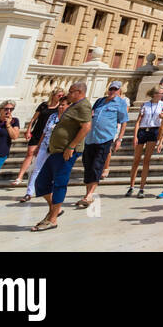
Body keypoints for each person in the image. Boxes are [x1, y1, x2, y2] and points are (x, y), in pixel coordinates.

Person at [31, 81, 93, 232]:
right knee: (41, 182)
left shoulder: (83, 106)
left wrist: (71, 146)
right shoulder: (73, 105)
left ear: (79, 92)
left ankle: (52, 219)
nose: (68, 94)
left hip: (66, 152)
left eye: (71, 91)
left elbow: (86, 127)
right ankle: (55, 210)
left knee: (59, 183)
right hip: (56, 150)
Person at [74, 81, 127, 208]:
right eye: (111, 89)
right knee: (88, 165)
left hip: (105, 137)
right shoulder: (100, 101)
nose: (112, 91)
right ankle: (88, 194)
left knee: (97, 165)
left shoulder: (120, 103)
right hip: (90, 137)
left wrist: (119, 139)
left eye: (115, 89)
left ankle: (89, 194)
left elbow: (123, 121)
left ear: (120, 91)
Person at [13, 88, 62, 188]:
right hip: (37, 132)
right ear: (53, 95)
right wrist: (28, 130)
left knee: (43, 157)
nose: (61, 97)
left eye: (62, 96)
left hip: (49, 134)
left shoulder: (60, 108)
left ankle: (38, 179)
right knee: (30, 153)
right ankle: (20, 176)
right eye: (59, 95)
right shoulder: (44, 105)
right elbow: (34, 119)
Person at [24, 97, 65, 204]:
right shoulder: (52, 116)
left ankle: (51, 194)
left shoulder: (69, 119)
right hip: (45, 145)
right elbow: (44, 131)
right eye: (60, 104)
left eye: (63, 105)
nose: (60, 107)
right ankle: (29, 192)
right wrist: (38, 145)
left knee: (53, 171)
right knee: (37, 168)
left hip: (57, 148)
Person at [127, 86, 163, 196]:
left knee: (146, 160)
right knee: (136, 160)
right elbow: (138, 121)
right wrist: (135, 136)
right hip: (143, 131)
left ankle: (142, 188)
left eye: (162, 93)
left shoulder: (162, 105)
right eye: (160, 93)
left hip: (153, 131)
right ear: (154, 94)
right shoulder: (145, 104)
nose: (161, 95)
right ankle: (131, 186)